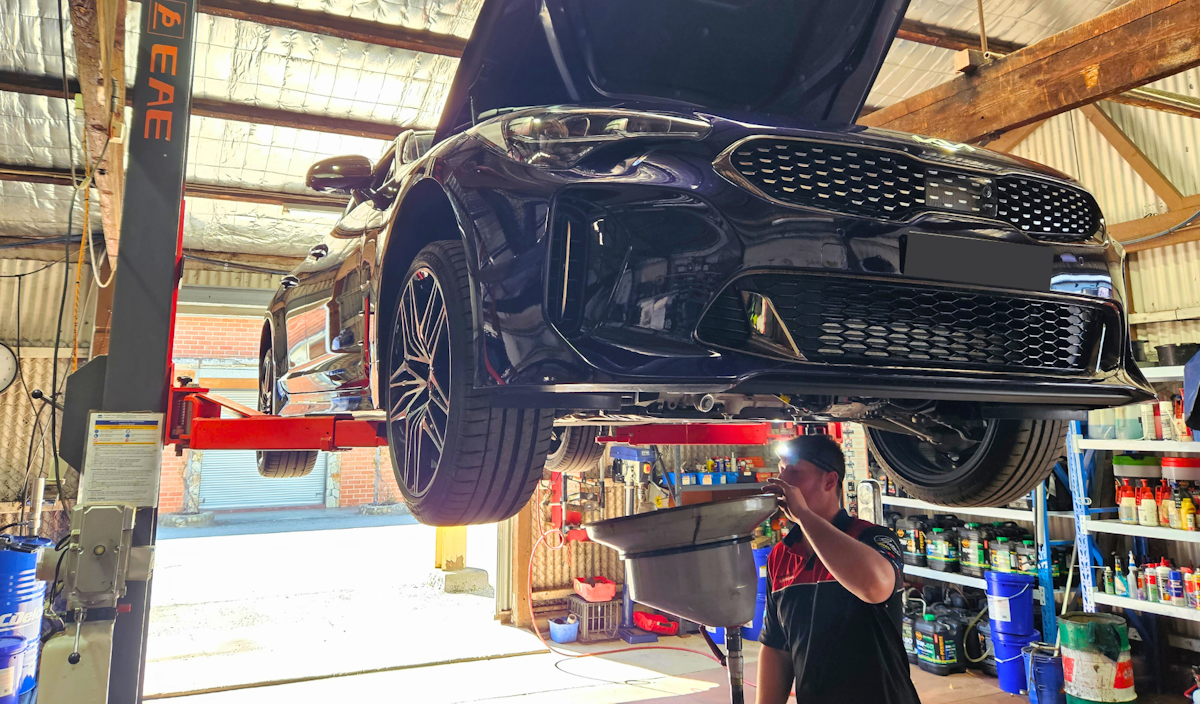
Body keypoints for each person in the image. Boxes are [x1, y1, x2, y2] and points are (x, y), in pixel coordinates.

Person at [756, 434, 919, 704]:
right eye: (781, 470)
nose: (782, 481)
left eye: (794, 471)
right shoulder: (780, 556)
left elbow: (875, 587)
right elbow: (776, 646)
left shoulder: (873, 538)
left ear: (829, 481)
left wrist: (804, 517)